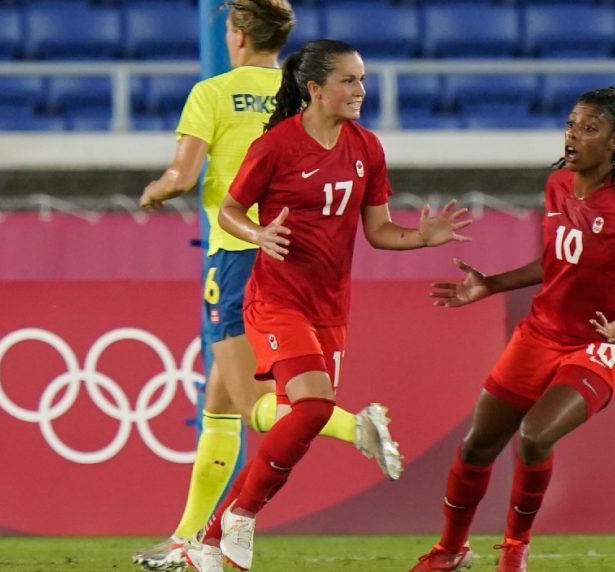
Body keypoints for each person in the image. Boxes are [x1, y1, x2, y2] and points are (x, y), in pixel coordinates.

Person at [180, 38, 471, 572]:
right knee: (312, 406)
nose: (361, 90)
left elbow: (380, 231)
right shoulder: (276, 146)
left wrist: (423, 237)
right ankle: (240, 518)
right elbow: (229, 211)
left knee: (299, 424)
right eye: (349, 80)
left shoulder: (367, 148)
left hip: (331, 308)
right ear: (314, 89)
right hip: (276, 299)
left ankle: (211, 536)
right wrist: (258, 235)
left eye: (362, 79)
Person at [131, 4, 402, 569]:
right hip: (297, 258)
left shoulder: (214, 91)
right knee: (221, 404)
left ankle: (353, 427)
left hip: (240, 254)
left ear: (234, 34)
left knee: (256, 401)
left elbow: (183, 178)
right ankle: (191, 537)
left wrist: (153, 192)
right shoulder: (291, 95)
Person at [410, 86, 615, 572]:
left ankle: (515, 549)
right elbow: (555, 263)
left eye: (589, 127)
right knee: (477, 445)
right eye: (572, 124)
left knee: (533, 436)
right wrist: (490, 284)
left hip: (600, 344)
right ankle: (450, 549)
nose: (573, 135)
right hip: (540, 332)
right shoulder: (557, 185)